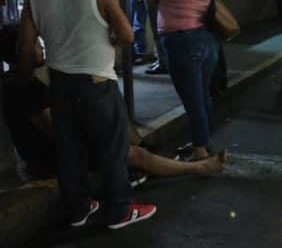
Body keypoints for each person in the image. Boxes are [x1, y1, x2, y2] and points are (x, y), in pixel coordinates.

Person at [15, 0, 156, 229]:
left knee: (69, 148)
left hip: (60, 87)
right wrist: (111, 39)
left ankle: (79, 208)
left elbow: (25, 50)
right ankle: (119, 210)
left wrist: (27, 75)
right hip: (96, 85)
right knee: (111, 147)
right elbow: (128, 36)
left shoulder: (34, 1)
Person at [0, 22, 227, 180]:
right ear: (20, 50)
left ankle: (151, 159)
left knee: (114, 113)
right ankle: (199, 166)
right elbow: (57, 131)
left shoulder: (25, 80)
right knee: (134, 152)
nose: (41, 46)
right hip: (51, 158)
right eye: (35, 44)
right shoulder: (24, 88)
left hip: (59, 148)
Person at [145, 0, 219, 162]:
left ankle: (200, 149)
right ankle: (205, 141)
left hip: (180, 42)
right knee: (203, 95)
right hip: (206, 40)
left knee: (192, 99)